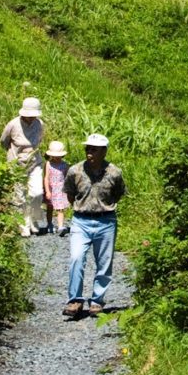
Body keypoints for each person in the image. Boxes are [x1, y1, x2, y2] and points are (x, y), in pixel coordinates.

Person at [63, 132, 124, 317]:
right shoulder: (75, 170)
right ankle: (75, 300)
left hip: (106, 221)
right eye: (88, 148)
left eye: (94, 149)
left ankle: (97, 301)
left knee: (104, 262)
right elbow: (70, 194)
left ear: (104, 151)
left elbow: (118, 194)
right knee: (76, 258)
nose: (89, 152)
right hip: (81, 220)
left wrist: (103, 207)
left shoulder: (114, 172)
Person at [2, 97, 47, 234]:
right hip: (17, 164)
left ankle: (33, 219)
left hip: (35, 162)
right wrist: (14, 155)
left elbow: (40, 140)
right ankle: (22, 224)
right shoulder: (13, 124)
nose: (31, 117)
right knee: (19, 196)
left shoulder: (40, 124)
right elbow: (4, 141)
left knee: (37, 193)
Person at [40, 140, 74, 236]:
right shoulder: (48, 164)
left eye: (59, 156)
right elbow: (46, 178)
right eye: (55, 156)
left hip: (60, 189)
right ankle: (49, 224)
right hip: (51, 189)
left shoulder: (65, 165)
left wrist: (69, 189)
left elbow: (67, 177)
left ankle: (60, 226)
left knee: (60, 208)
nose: (57, 158)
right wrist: (47, 190)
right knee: (50, 207)